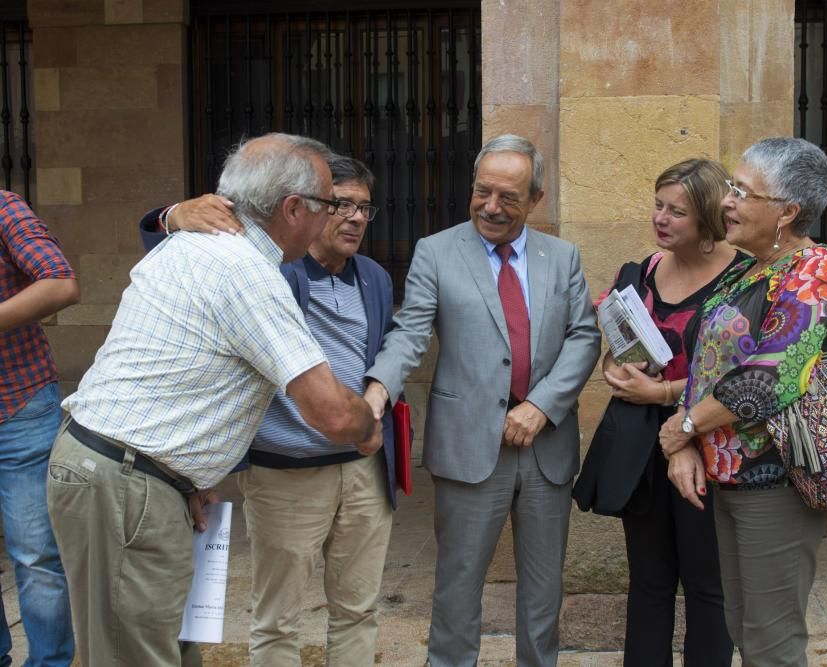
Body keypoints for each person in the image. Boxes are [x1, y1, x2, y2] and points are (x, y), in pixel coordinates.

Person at [46, 133, 378, 667]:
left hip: (136, 478)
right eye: (327, 205)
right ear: (293, 209)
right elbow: (333, 413)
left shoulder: (196, 244)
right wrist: (369, 424)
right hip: (126, 483)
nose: (335, 218)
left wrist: (186, 477)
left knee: (160, 647)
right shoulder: (246, 272)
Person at [137, 155, 398, 667]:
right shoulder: (264, 265)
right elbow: (167, 245)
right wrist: (169, 216)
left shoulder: (374, 277)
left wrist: (378, 396)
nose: (354, 218)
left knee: (358, 610)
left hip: (363, 472)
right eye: (341, 204)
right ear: (310, 210)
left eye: (365, 209)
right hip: (286, 476)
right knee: (278, 619)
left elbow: (384, 347)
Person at [363, 134, 602, 666]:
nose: (491, 207)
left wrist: (542, 406)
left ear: (536, 199)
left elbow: (584, 336)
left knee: (543, 595)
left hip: (546, 450)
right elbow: (410, 332)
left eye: (508, 197)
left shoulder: (561, 257)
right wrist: (380, 386)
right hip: (469, 446)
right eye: (482, 191)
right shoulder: (437, 251)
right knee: (457, 589)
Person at [660, 138, 827, 667]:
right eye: (731, 187)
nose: (726, 201)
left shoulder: (818, 270)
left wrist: (682, 428)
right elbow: (708, 369)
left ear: (787, 211)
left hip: (779, 480)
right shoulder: (747, 267)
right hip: (730, 476)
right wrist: (684, 440)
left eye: (742, 192)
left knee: (771, 642)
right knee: (743, 625)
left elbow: (772, 378)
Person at [575, 159, 740, 666]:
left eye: (677, 212)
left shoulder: (743, 280)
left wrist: (662, 393)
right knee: (648, 583)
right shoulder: (641, 272)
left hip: (709, 449)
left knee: (708, 588)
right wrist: (615, 368)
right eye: (658, 205)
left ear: (709, 218)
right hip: (641, 449)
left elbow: (741, 379)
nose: (661, 218)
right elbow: (617, 350)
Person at [0, 190, 77, 667]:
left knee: (36, 558)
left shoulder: (3, 208)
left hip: (18, 407)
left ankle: (49, 663)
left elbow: (61, 283)